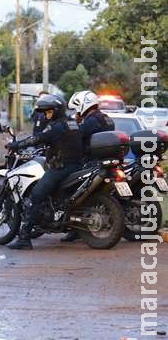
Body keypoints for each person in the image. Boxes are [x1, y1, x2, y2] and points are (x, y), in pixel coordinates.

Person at [5, 94, 84, 250]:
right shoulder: (73, 123)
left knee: (36, 196)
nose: (47, 116)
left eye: (49, 112)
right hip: (77, 166)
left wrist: (15, 146)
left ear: (56, 111)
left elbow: (36, 139)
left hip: (61, 168)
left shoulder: (57, 127)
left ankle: (25, 238)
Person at [60, 90, 115, 242]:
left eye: (77, 107)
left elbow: (76, 136)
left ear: (84, 104)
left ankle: (74, 228)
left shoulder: (91, 120)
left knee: (71, 191)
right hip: (104, 161)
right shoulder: (106, 118)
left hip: (90, 161)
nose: (76, 110)